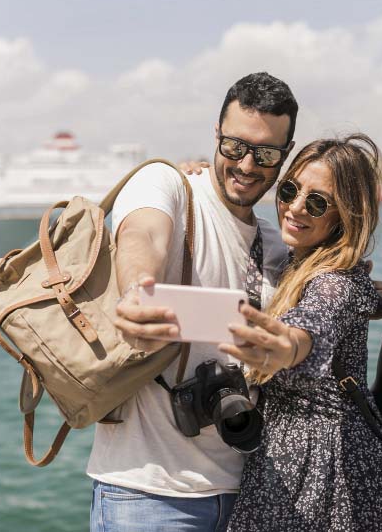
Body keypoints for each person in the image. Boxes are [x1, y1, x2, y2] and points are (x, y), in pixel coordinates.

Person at [87, 72, 298, 531]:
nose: (246, 164)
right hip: (147, 493)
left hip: (248, 494)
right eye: (234, 147)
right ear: (216, 135)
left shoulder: (276, 247)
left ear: (284, 156)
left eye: (265, 154)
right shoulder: (166, 184)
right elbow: (143, 233)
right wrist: (137, 290)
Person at [220, 134, 382, 532]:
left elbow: (313, 323)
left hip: (327, 481)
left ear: (346, 216)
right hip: (309, 472)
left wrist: (286, 347)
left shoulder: (336, 283)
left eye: (317, 202)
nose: (294, 208)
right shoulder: (298, 263)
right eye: (290, 190)